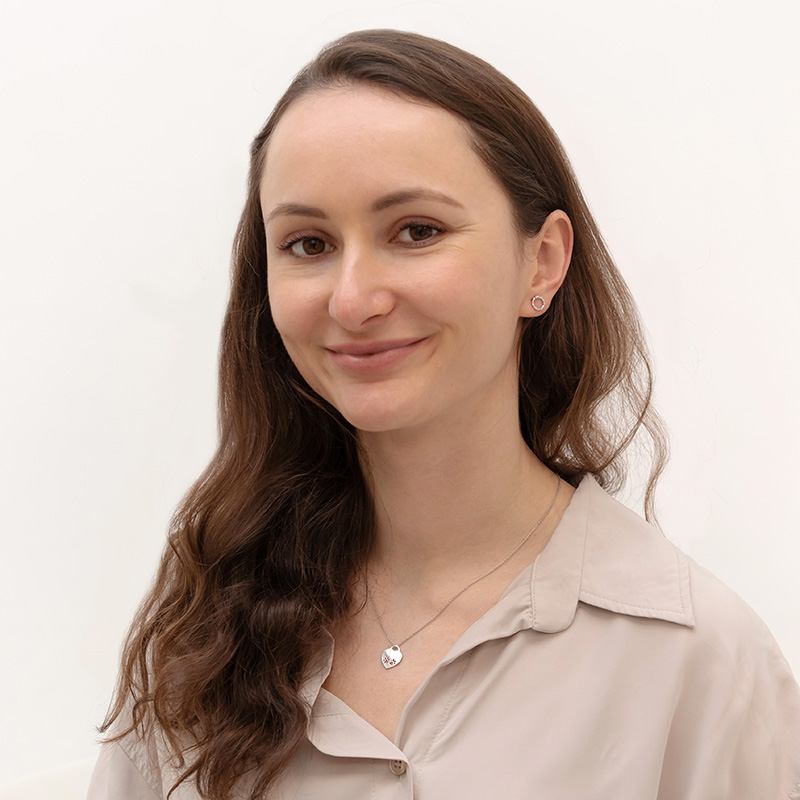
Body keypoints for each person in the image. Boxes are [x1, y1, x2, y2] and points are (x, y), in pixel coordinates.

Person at [87, 29, 800, 800]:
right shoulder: (203, 626)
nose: (353, 299)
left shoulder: (700, 662)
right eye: (308, 243)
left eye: (417, 231)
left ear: (543, 262)